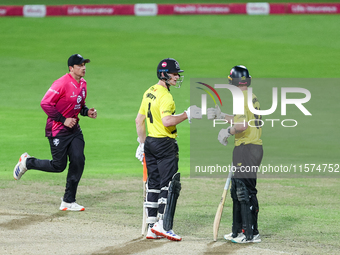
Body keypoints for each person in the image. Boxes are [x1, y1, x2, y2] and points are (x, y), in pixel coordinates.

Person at [13, 54, 97, 211]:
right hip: (57, 130)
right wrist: (63, 119)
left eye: (84, 65)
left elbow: (79, 105)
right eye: (80, 65)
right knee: (59, 165)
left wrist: (87, 112)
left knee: (78, 160)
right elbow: (45, 103)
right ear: (71, 68)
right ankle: (27, 162)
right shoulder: (61, 83)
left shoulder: (83, 83)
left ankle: (68, 201)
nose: (84, 68)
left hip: (74, 130)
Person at [135, 58, 201, 241]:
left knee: (153, 184)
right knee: (170, 184)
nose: (177, 77)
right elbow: (167, 121)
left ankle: (151, 226)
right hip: (165, 144)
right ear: (164, 74)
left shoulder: (149, 92)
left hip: (150, 143)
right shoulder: (166, 96)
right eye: (174, 74)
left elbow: (138, 121)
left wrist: (142, 144)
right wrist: (187, 114)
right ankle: (163, 225)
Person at [208, 65, 263, 243]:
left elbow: (241, 126)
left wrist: (227, 131)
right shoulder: (250, 96)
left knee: (245, 191)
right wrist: (222, 115)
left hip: (247, 148)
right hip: (249, 147)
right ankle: (239, 231)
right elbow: (242, 120)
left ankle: (250, 233)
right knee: (239, 190)